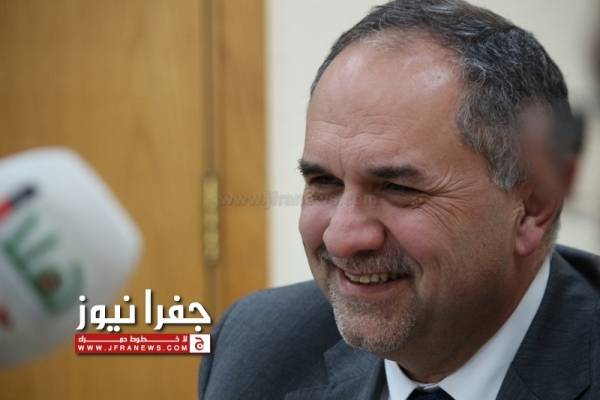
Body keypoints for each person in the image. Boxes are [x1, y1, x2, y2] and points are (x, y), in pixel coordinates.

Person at [200, 1, 600, 399]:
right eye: (324, 182)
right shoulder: (255, 347)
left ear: (533, 207)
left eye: (398, 189)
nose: (342, 238)